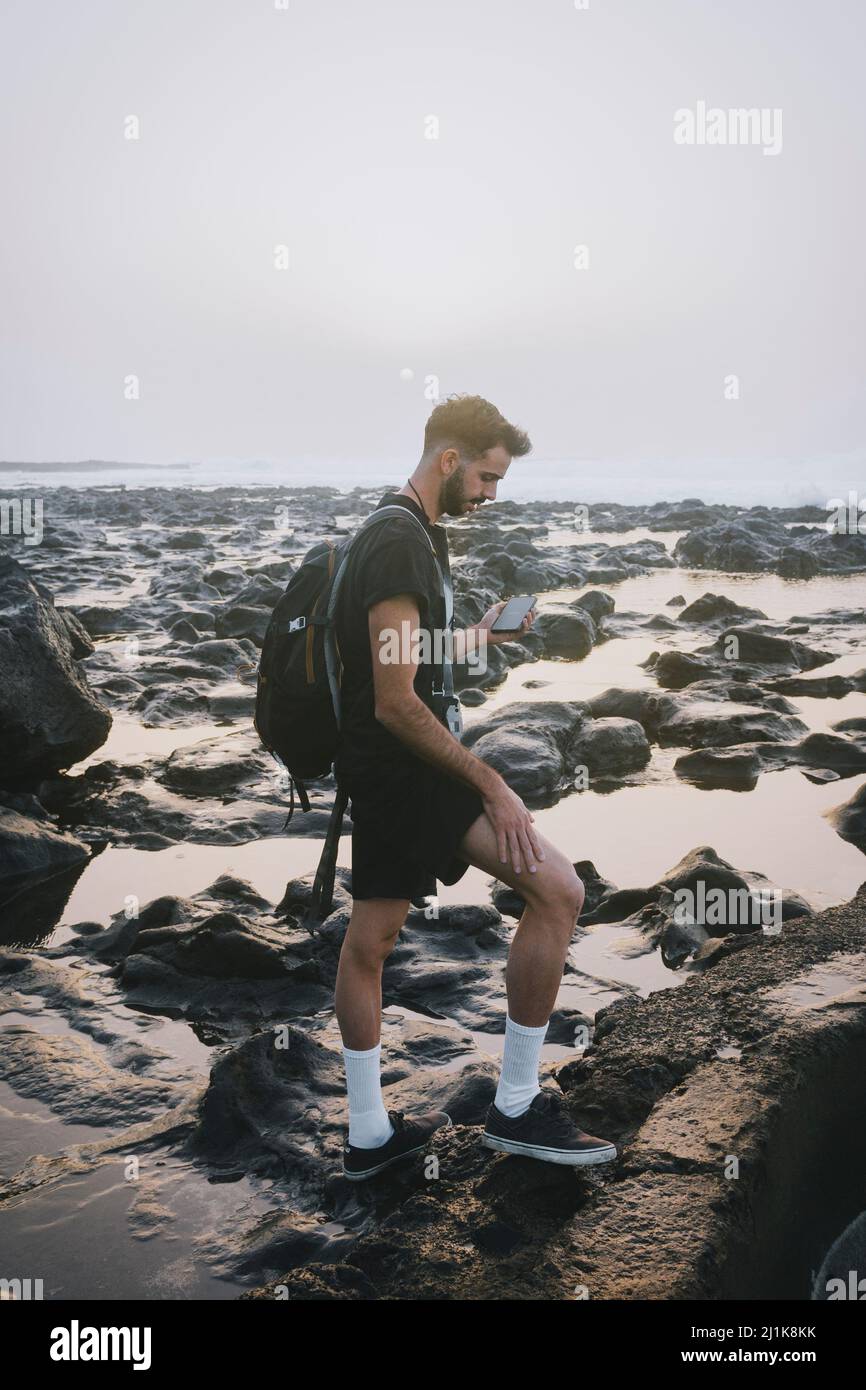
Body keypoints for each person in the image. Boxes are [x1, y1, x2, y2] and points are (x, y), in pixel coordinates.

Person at [333, 394, 617, 1180]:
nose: (492, 495)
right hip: (402, 769)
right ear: (450, 458)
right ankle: (518, 1110)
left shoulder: (404, 528)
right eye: (488, 477)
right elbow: (396, 701)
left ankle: (367, 1138)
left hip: (382, 766)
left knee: (370, 944)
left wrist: (480, 636)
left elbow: (400, 654)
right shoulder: (399, 542)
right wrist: (492, 782)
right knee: (558, 891)